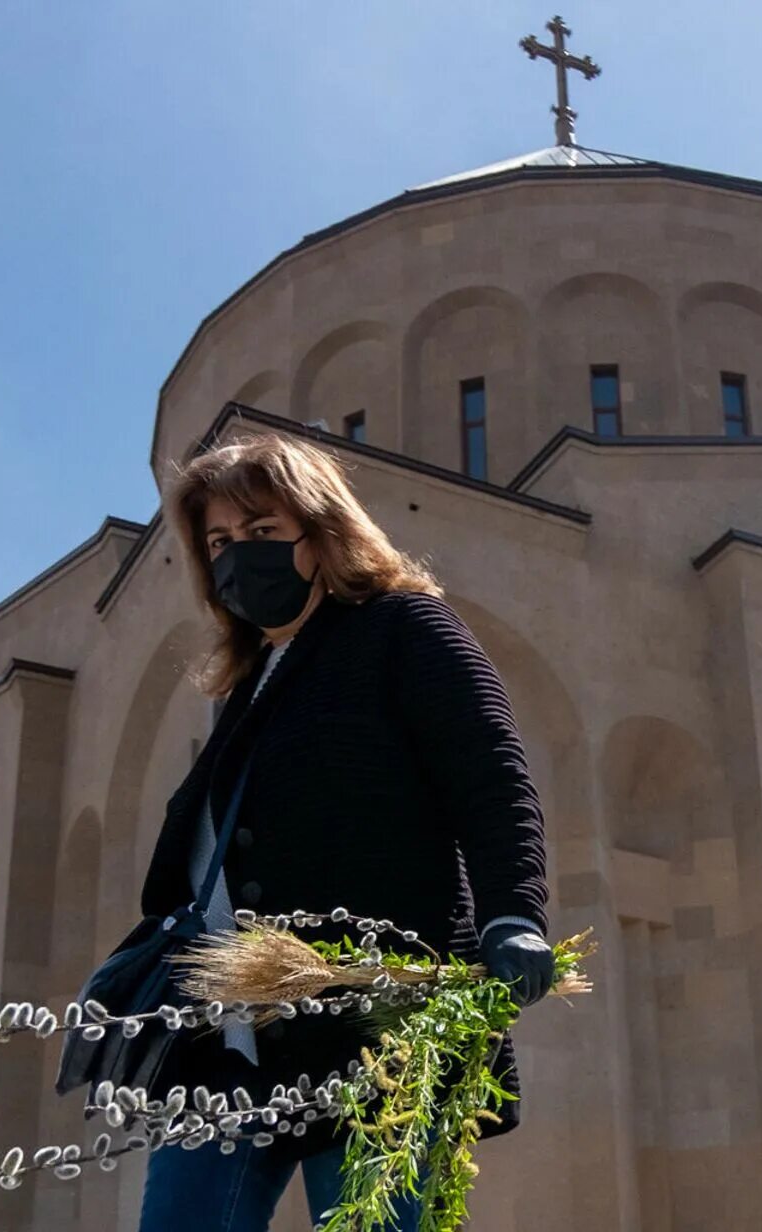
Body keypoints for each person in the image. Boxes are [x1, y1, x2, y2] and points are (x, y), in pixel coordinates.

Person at [133, 432, 555, 1232]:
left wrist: (515, 913)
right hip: (225, 1039)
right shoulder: (250, 683)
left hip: (374, 1025)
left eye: (260, 533)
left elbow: (491, 773)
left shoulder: (403, 626)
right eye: (219, 541)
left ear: (321, 530)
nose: (236, 558)